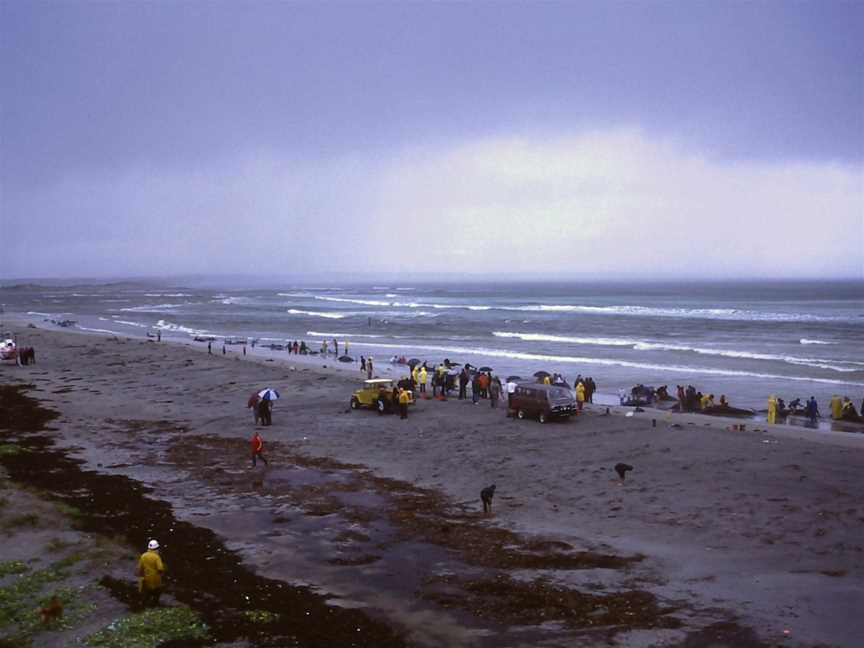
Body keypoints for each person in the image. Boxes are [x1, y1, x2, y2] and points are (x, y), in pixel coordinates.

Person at [137, 540, 165, 607]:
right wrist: (161, 573)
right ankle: (154, 606)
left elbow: (140, 568)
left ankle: (143, 607)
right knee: (156, 594)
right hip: (156, 580)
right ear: (157, 548)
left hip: (146, 578)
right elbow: (160, 568)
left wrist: (141, 575)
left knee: (146, 594)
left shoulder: (143, 556)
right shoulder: (156, 557)